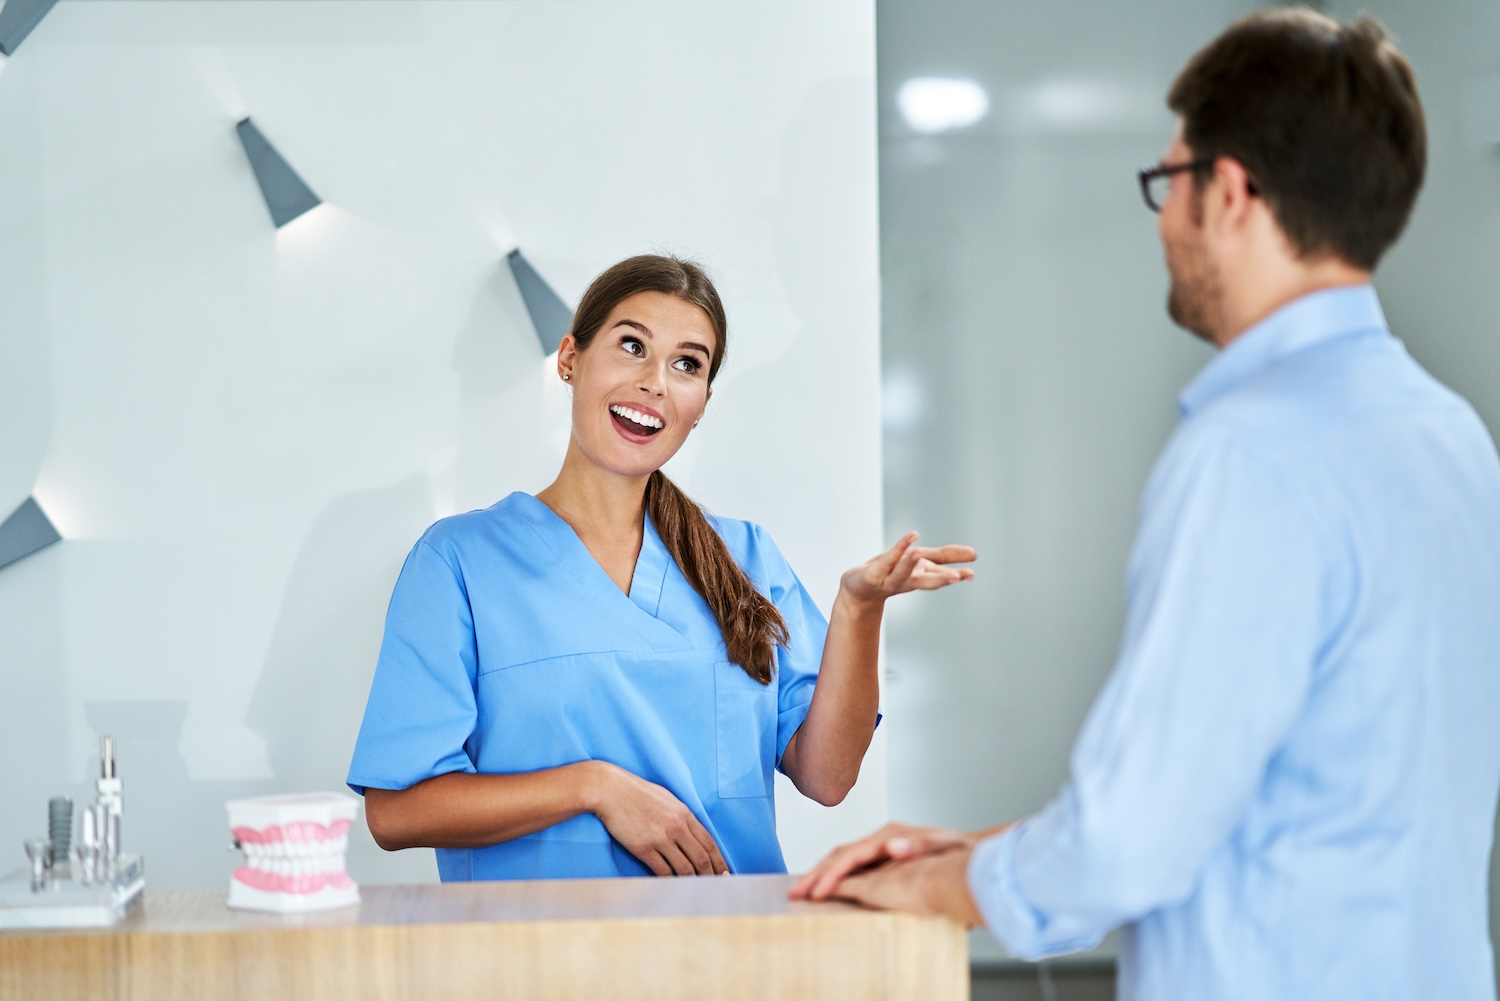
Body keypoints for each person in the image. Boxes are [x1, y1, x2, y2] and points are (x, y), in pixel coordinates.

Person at [794, 10, 1500, 999]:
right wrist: (979, 844)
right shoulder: (1450, 436)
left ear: (1233, 192)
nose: (1163, 219)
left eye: (1171, 183)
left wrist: (939, 882)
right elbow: (1286, 798)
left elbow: (1132, 843)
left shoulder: (1248, 452)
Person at [347, 254, 975, 881]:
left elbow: (828, 776)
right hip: (541, 961)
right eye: (631, 345)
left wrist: (858, 610)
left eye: (686, 365)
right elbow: (398, 811)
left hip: (728, 955)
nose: (655, 382)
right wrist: (593, 788)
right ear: (570, 359)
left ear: (700, 403)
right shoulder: (460, 562)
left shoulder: (746, 560)